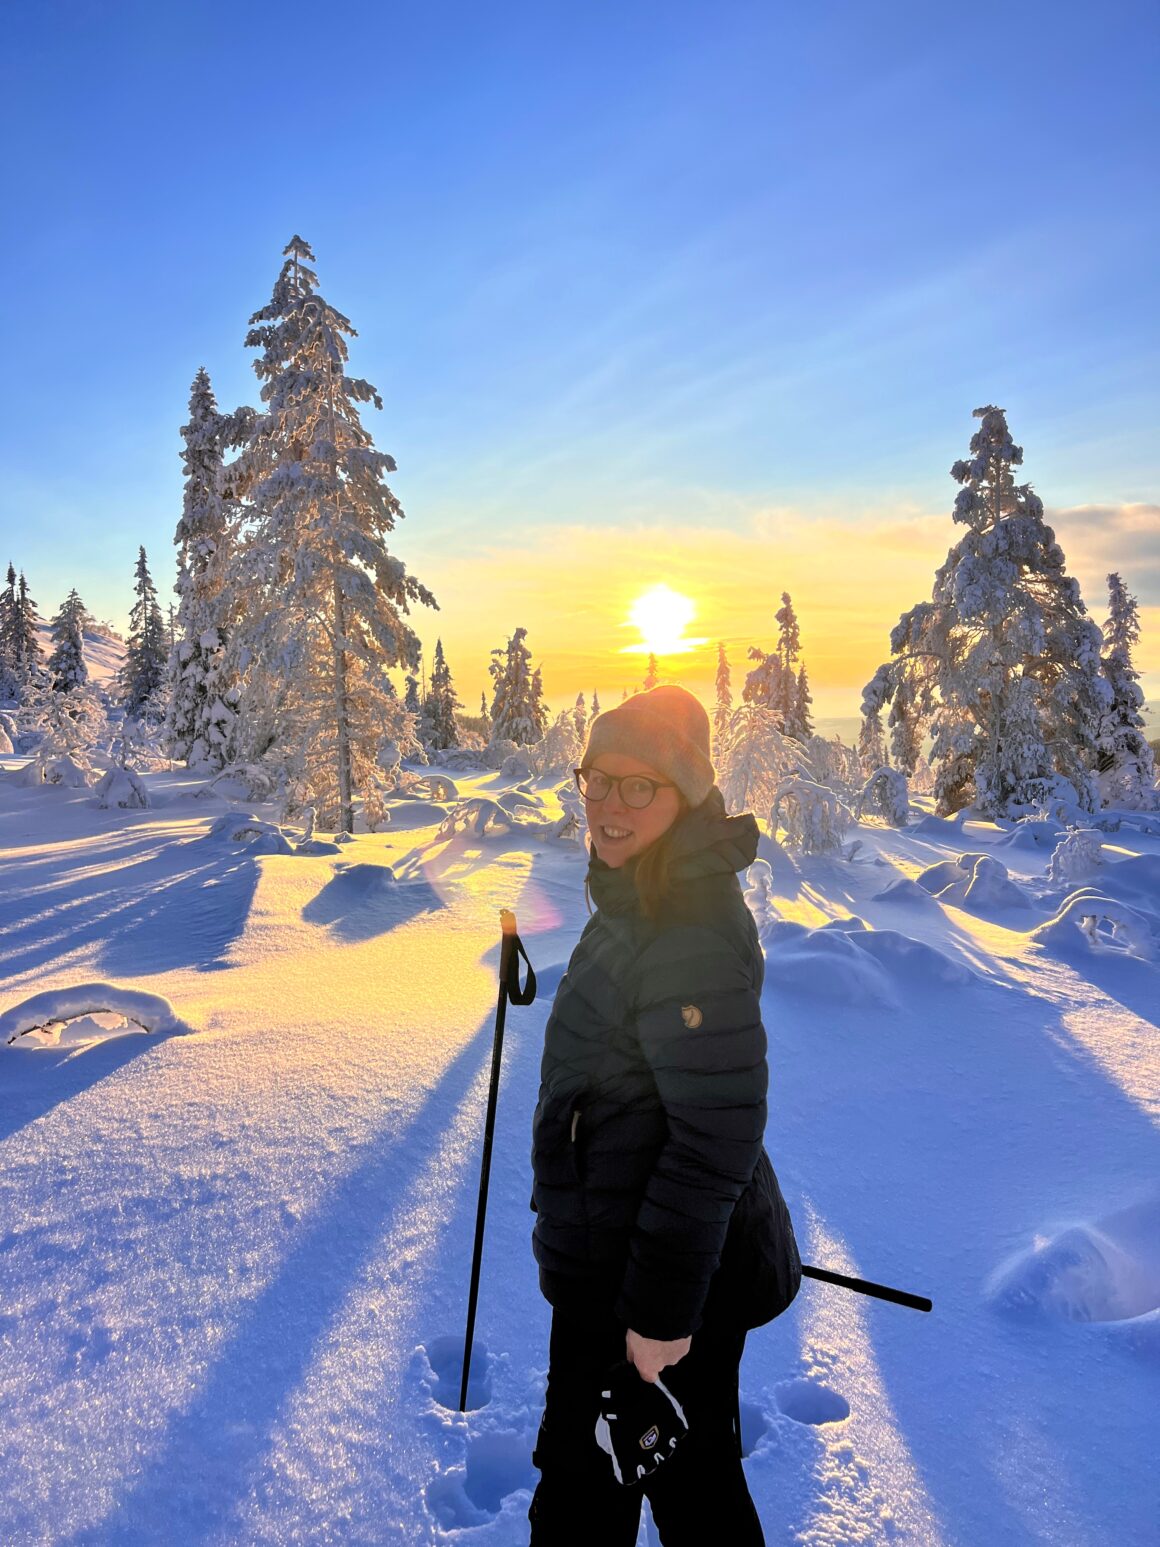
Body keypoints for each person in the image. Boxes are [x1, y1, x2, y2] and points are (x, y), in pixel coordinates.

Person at [528, 685, 801, 1545]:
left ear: (683, 793)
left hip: (652, 1294)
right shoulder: (637, 892)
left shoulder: (684, 925)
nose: (607, 805)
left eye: (637, 785)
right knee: (676, 1484)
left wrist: (659, 1318)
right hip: (627, 1264)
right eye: (595, 780)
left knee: (608, 1495)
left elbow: (715, 1134)